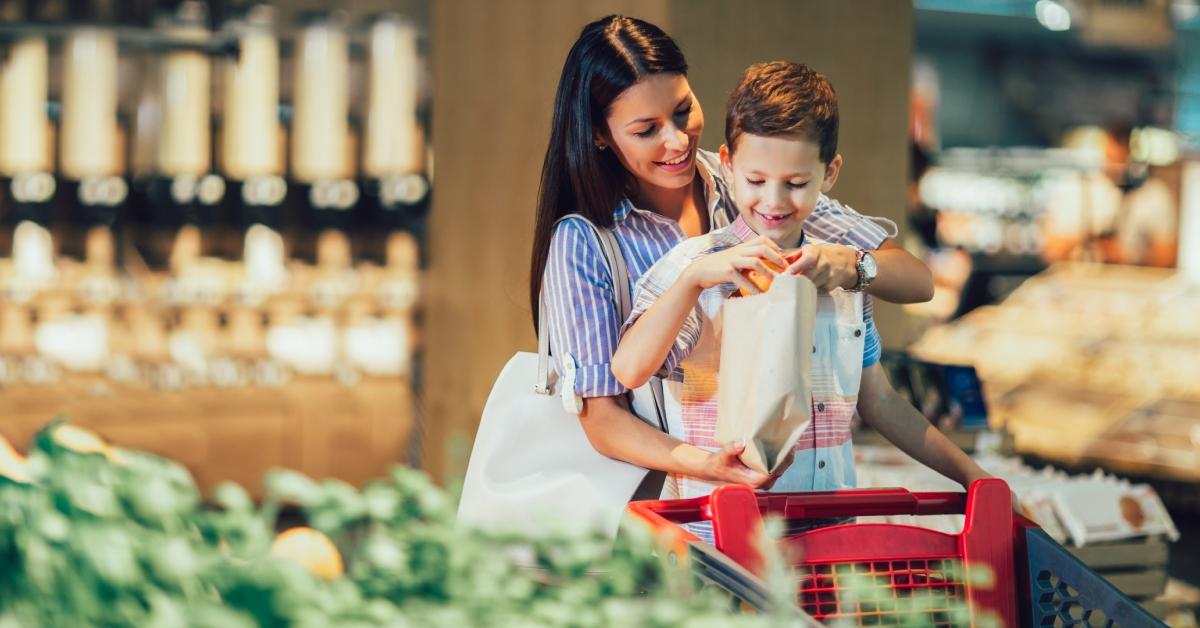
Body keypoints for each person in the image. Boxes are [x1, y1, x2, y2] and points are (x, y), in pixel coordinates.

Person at [530, 16, 934, 492]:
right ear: (600, 134)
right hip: (655, 509)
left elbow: (912, 278)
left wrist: (855, 267)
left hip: (773, 495)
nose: (677, 141)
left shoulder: (752, 182)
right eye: (646, 130)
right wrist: (711, 466)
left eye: (683, 111)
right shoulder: (584, 241)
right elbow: (603, 420)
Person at [610, 61, 992, 513]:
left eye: (795, 183)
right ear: (728, 166)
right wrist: (693, 281)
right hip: (721, 544)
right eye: (755, 181)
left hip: (830, 540)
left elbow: (880, 400)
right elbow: (629, 371)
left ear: (829, 174)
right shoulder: (696, 268)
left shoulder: (843, 276)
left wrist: (974, 477)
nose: (773, 201)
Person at [1042, 126, 1178, 267]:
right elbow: (1050, 250)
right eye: (1110, 154)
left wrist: (1129, 256)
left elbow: (1167, 257)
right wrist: (1088, 241)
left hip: (1130, 282)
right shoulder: (1074, 188)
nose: (1115, 161)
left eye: (1122, 155)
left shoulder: (1153, 194)